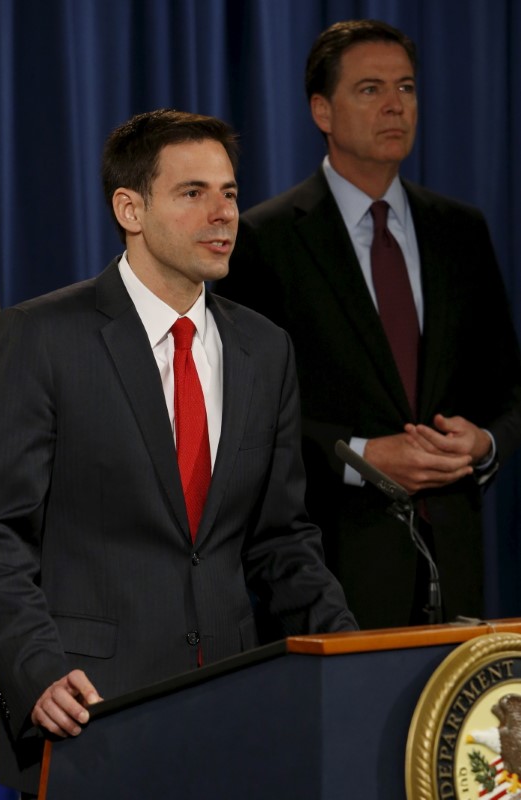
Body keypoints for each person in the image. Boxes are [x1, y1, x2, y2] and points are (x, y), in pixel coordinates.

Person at [0, 109, 357, 795]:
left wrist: (351, 653)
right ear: (129, 208)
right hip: (89, 716)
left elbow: (280, 538)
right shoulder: (42, 337)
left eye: (229, 193)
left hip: (231, 714)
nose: (223, 213)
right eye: (192, 193)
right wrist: (37, 670)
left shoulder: (264, 349)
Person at [218, 20, 521, 630]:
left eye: (406, 89)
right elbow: (244, 415)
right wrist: (359, 457)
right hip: (331, 570)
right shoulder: (263, 239)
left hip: (455, 566)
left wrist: (483, 444)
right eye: (370, 89)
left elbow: (508, 392)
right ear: (321, 111)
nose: (394, 106)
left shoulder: (461, 230)